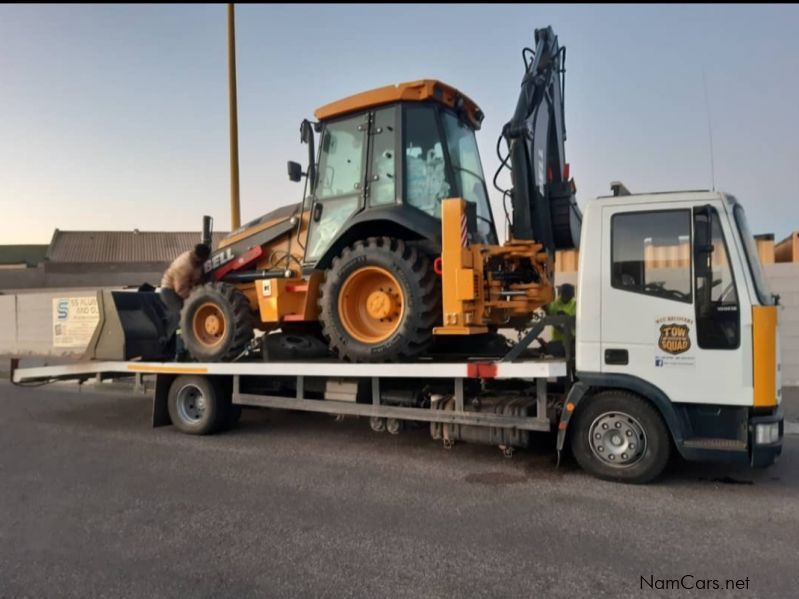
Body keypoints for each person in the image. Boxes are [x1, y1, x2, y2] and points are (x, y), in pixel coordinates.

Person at [159, 243, 211, 316]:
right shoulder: (183, 266)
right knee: (182, 314)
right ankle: (176, 327)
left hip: (185, 289)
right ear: (198, 258)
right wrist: (196, 297)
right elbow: (181, 289)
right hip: (170, 290)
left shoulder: (198, 262)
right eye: (204, 260)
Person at [537, 283, 576, 358]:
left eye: (567, 294)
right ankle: (547, 346)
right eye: (563, 294)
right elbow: (546, 309)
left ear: (571, 295)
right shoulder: (554, 304)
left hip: (571, 341)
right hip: (557, 341)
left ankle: (548, 346)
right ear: (560, 293)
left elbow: (575, 322)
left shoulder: (575, 305)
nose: (564, 296)